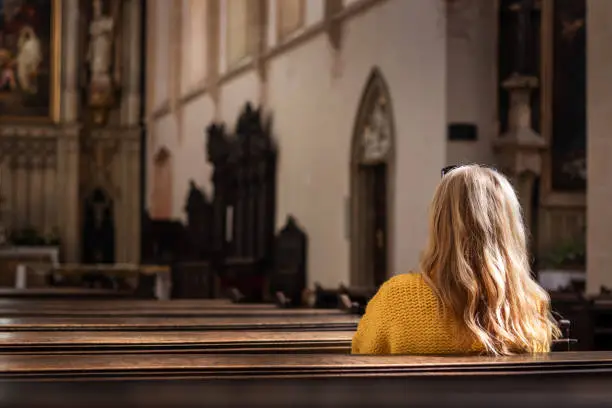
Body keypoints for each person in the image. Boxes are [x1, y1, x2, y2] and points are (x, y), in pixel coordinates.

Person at [351, 164, 560, 356]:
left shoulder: (396, 298)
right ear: (508, 229)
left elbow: (361, 363)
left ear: (439, 223)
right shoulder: (529, 306)